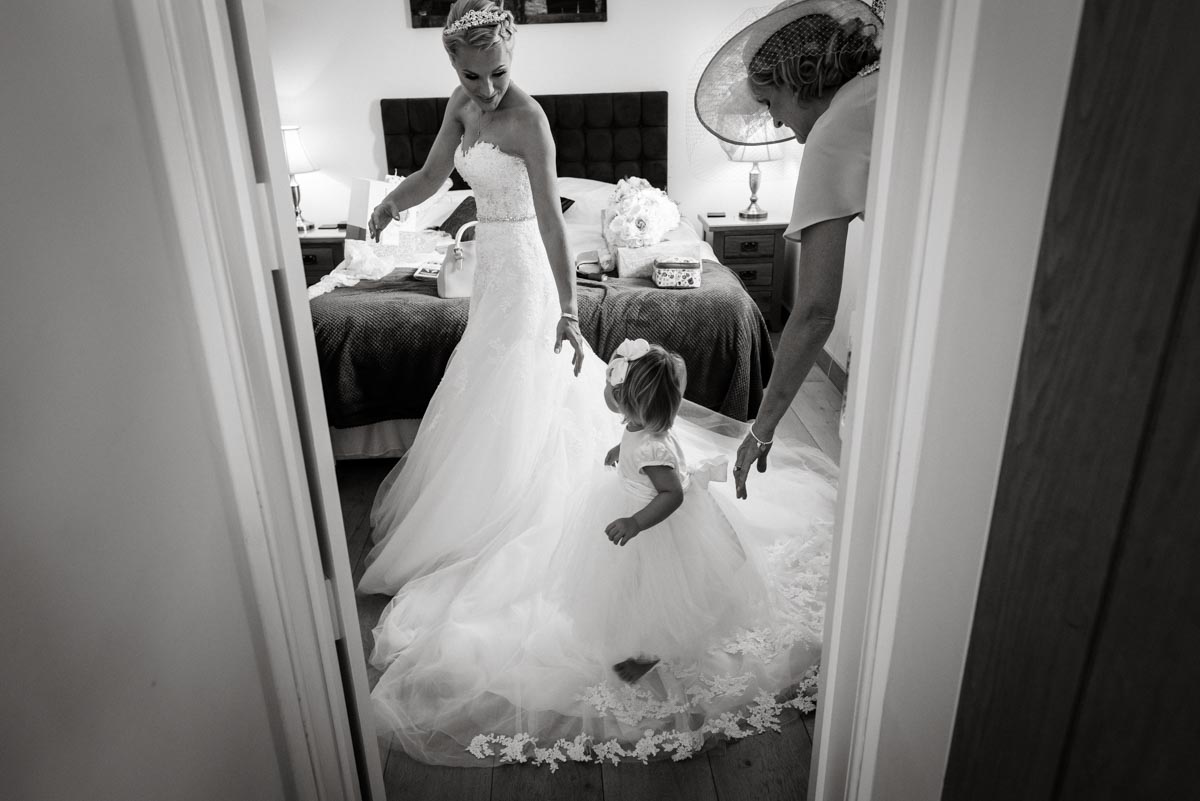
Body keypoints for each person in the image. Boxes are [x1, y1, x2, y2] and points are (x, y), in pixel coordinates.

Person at [360, 0, 840, 768]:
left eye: (498, 72)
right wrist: (394, 201)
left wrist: (569, 308)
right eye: (472, 76)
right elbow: (428, 176)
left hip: (529, 268)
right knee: (483, 386)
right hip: (489, 274)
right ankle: (477, 508)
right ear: (454, 68)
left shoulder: (530, 121)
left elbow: (554, 220)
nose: (486, 88)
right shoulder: (459, 106)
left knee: (531, 385)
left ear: (512, 57)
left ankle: (535, 505)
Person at [368, 338, 838, 767]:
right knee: (626, 590)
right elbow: (637, 444)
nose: (610, 397)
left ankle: (650, 652)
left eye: (617, 394)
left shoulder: (654, 449)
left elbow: (672, 494)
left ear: (635, 404)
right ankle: (633, 634)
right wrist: (620, 448)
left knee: (655, 596)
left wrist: (635, 523)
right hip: (635, 510)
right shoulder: (641, 430)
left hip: (654, 533)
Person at [694, 0, 884, 496]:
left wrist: (761, 428)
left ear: (795, 81)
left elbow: (815, 311)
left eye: (768, 102)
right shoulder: (881, 89)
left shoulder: (833, 131)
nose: (775, 121)